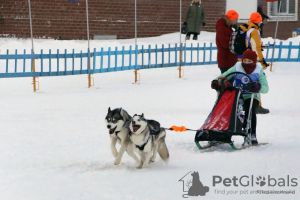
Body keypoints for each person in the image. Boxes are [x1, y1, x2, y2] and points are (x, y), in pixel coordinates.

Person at [211, 49, 269, 144]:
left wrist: (259, 86)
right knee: (227, 108)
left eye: (249, 61)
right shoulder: (238, 66)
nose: (246, 63)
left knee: (249, 110)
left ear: (254, 61)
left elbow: (266, 88)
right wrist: (216, 81)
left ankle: (252, 134)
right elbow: (225, 75)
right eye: (245, 60)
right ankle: (222, 131)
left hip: (252, 95)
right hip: (237, 94)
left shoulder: (259, 69)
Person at [239, 12, 270, 114]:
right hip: (251, 61)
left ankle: (242, 103)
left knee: (242, 81)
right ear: (258, 21)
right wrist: (262, 62)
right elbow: (256, 48)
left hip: (243, 59)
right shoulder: (255, 31)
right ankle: (257, 105)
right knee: (256, 82)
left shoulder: (245, 29)